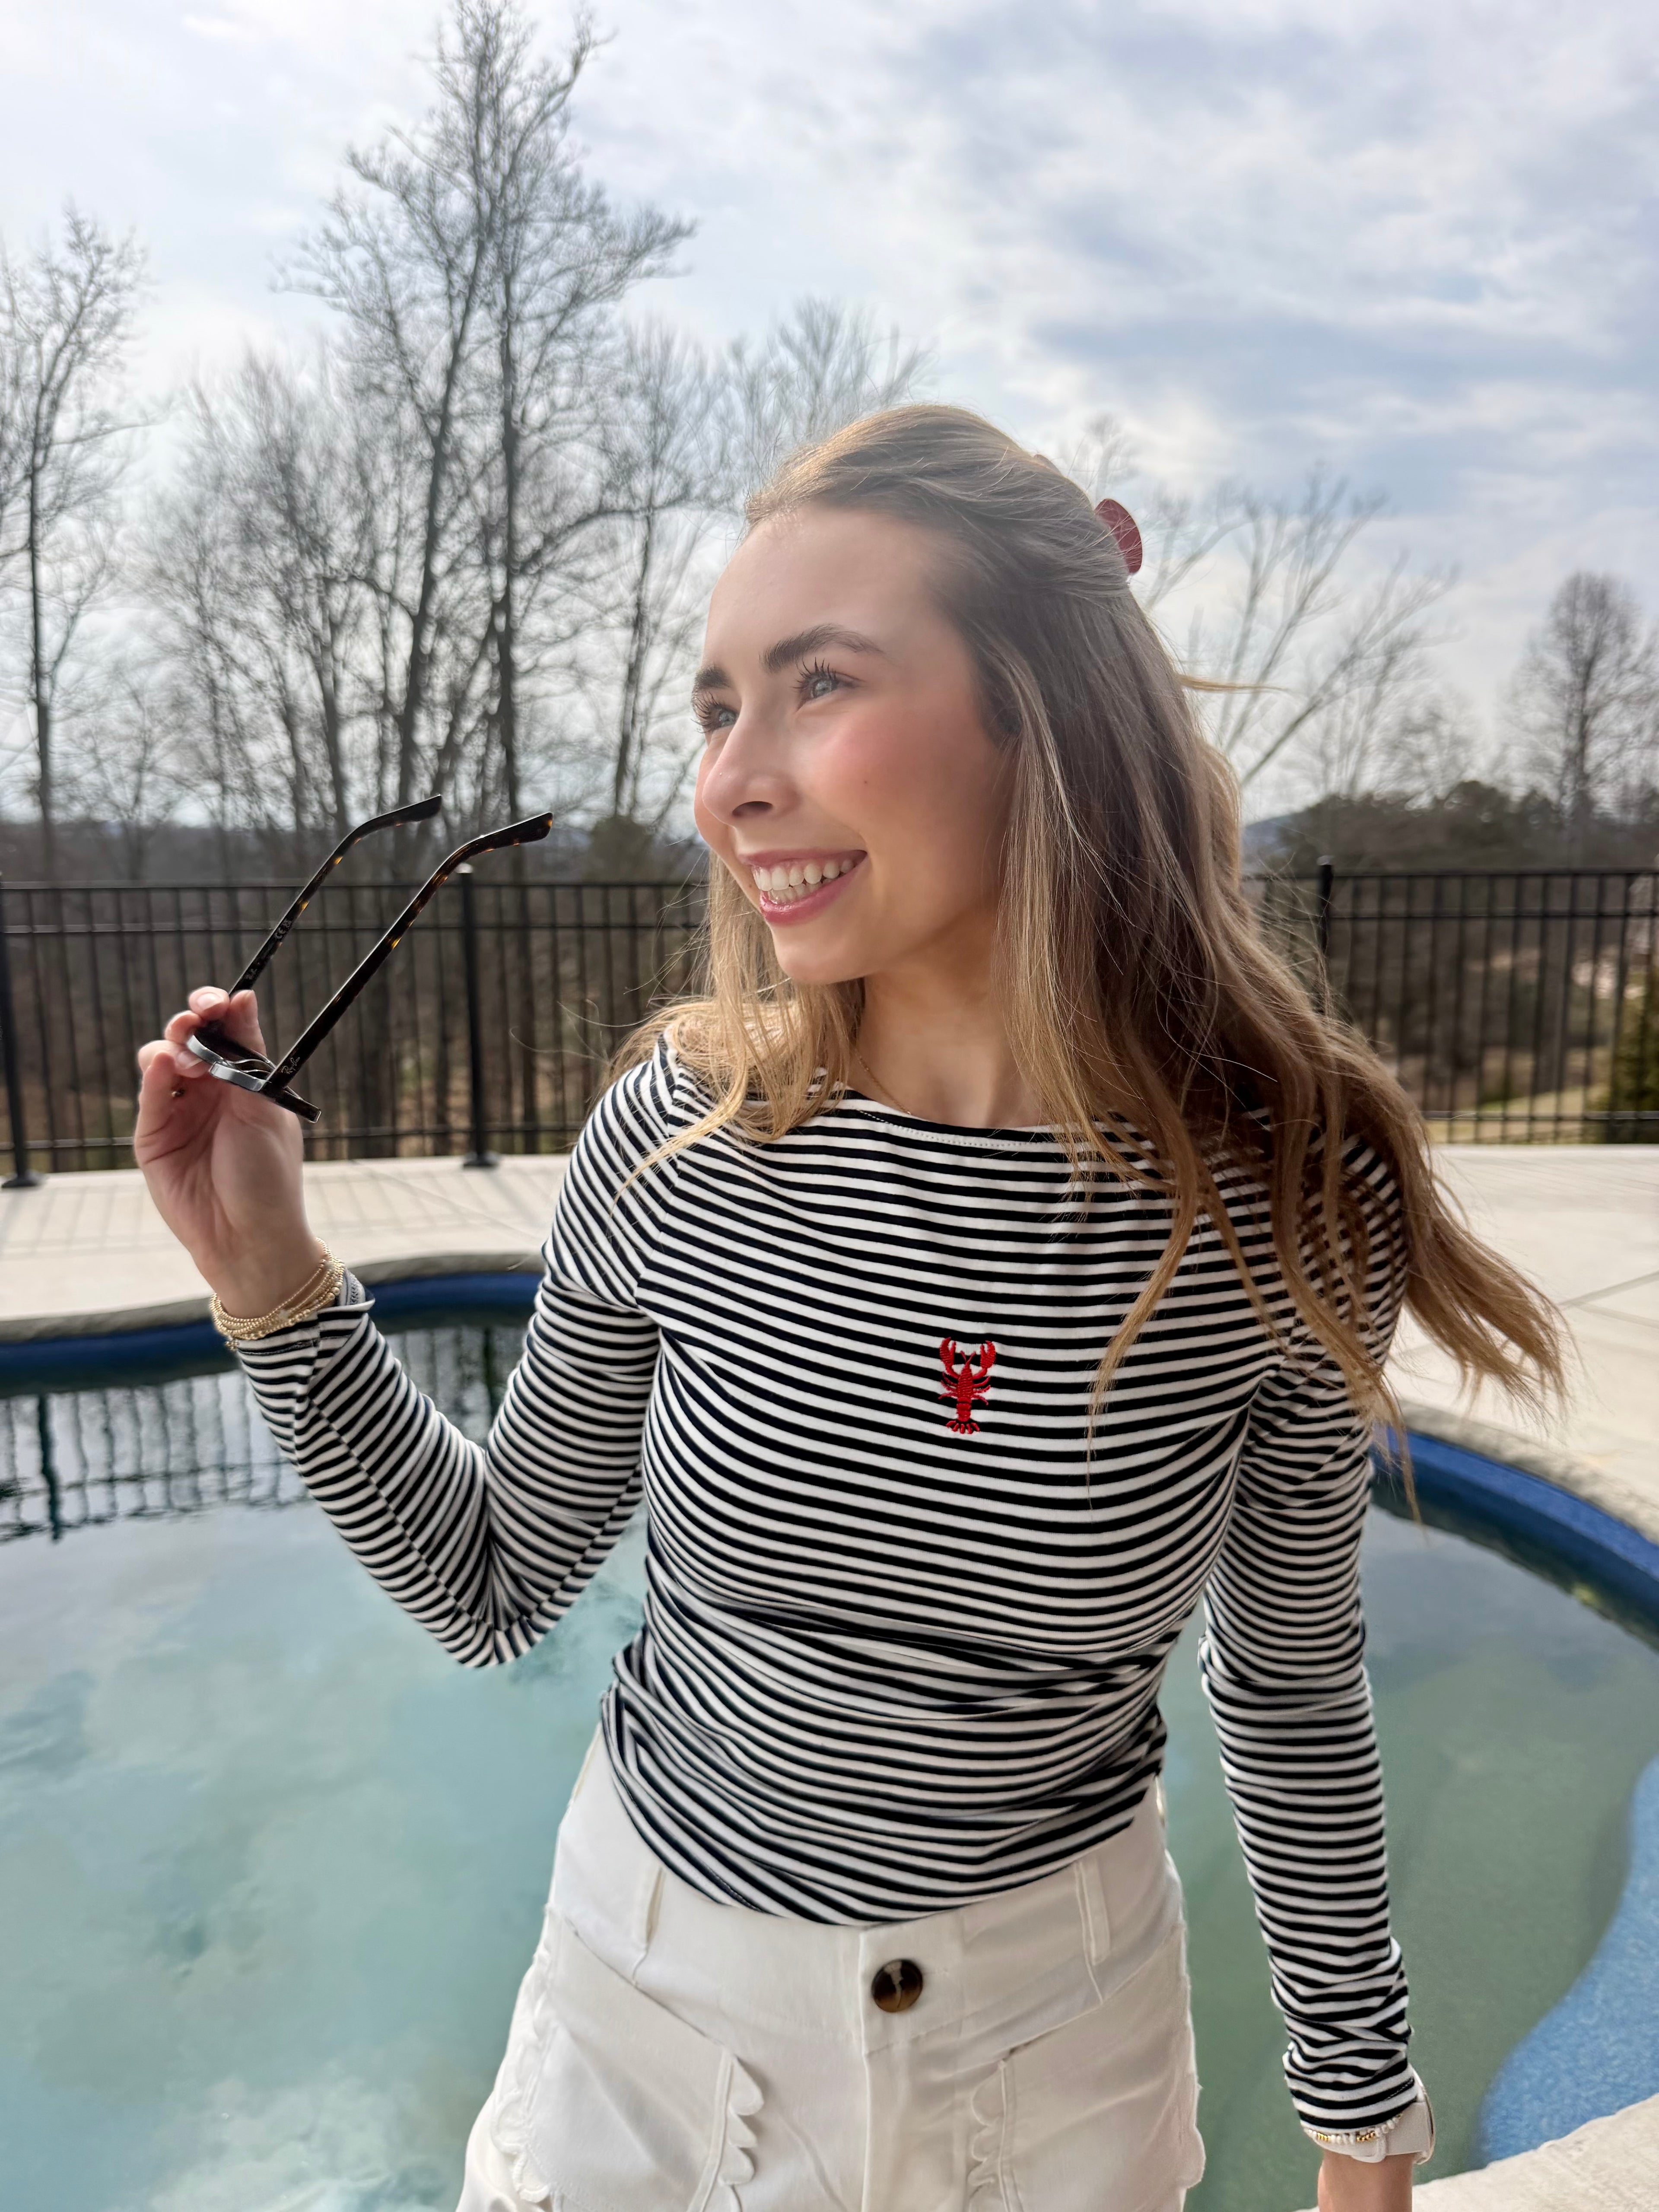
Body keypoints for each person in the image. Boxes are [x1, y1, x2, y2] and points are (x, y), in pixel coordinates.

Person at [134, 406, 1566, 2212]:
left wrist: (1365, 2128)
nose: (731, 779)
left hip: (1061, 2067)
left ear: (1037, 714)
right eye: (721, 704)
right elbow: (492, 1583)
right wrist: (266, 1276)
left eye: (819, 685)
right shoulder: (683, 1137)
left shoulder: (1282, 1204)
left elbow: (1286, 1687)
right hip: (644, 2039)